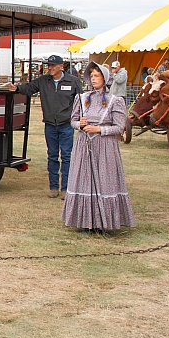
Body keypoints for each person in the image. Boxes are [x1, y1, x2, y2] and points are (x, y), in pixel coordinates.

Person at [62, 62, 135, 231]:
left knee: (104, 181)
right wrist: (79, 124)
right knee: (84, 181)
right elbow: (73, 121)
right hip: (84, 146)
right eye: (92, 76)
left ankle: (103, 222)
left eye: (97, 76)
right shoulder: (82, 98)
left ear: (104, 78)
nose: (94, 79)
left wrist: (99, 129)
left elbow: (119, 127)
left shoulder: (115, 101)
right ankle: (84, 222)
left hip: (104, 147)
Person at [7, 54, 83, 199]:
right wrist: (17, 88)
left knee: (67, 156)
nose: (50, 68)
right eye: (49, 65)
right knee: (52, 156)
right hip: (50, 125)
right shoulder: (43, 80)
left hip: (66, 124)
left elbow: (81, 100)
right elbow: (29, 88)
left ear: (61, 66)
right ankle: (53, 187)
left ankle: (66, 189)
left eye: (53, 65)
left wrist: (78, 118)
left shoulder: (73, 81)